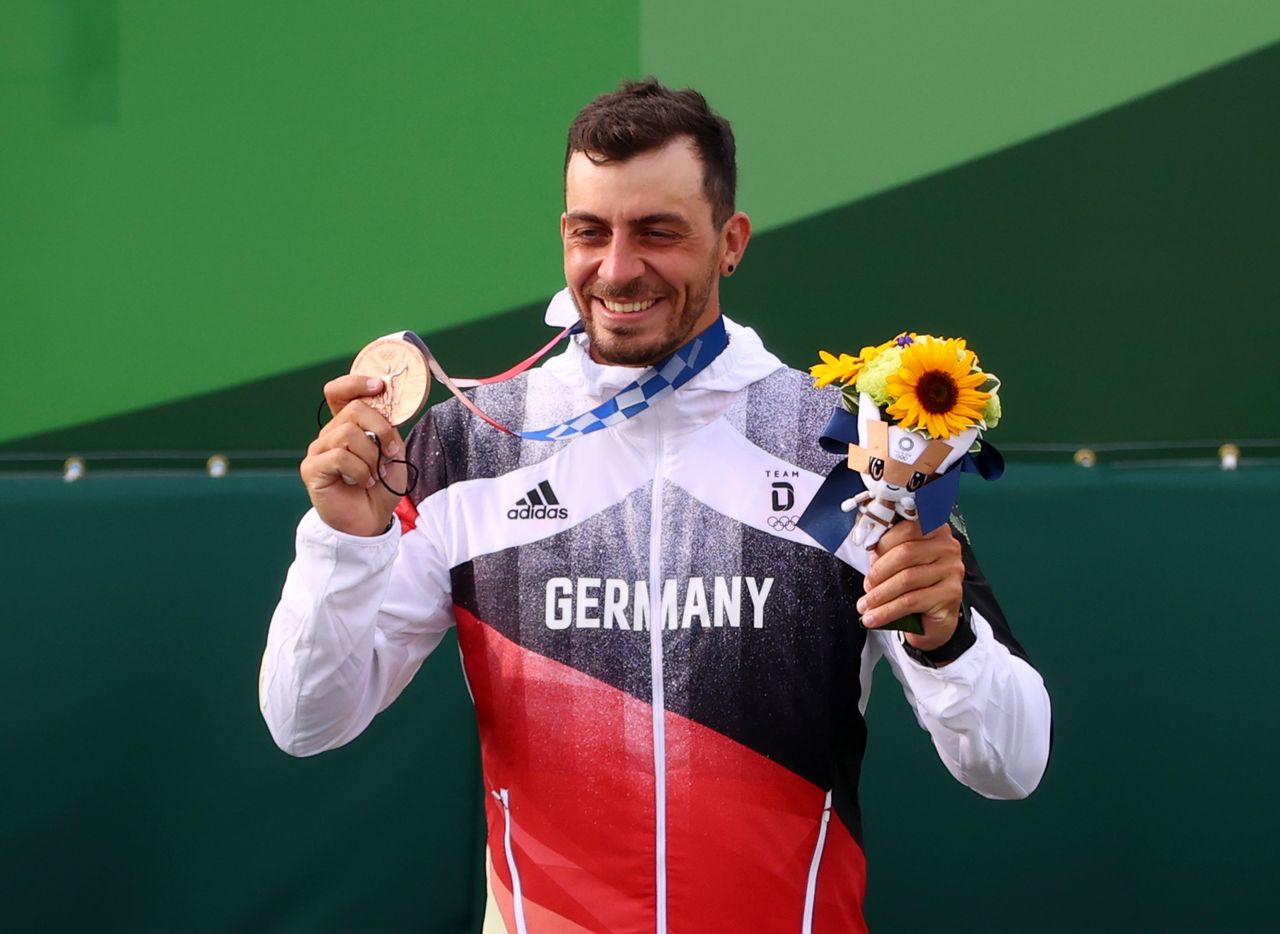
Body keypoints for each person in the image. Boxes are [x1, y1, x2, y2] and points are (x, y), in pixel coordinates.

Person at [260, 79, 1052, 933]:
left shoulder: (841, 447)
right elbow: (306, 722)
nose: (617, 268)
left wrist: (947, 640)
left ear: (730, 242)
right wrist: (342, 543)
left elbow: (1013, 761)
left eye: (657, 232)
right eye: (589, 232)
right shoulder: (471, 446)